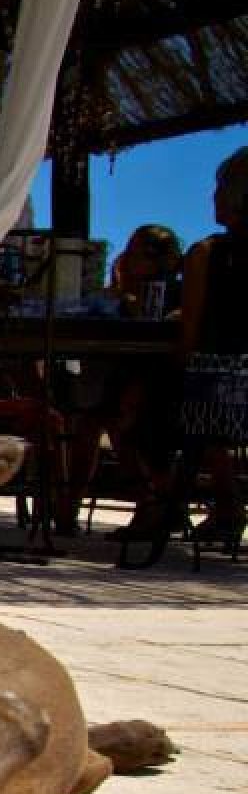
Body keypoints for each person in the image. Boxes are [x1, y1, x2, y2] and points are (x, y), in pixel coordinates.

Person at [56, 225, 182, 535]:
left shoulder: (170, 293)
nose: (125, 257)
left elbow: (159, 335)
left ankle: (151, 503)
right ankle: (71, 507)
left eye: (135, 251)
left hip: (163, 381)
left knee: (112, 416)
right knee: (94, 415)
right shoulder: (120, 297)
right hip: (127, 375)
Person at [171, 148, 248, 547]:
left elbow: (190, 330)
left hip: (219, 391)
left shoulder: (208, 254)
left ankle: (168, 500)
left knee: (140, 400)